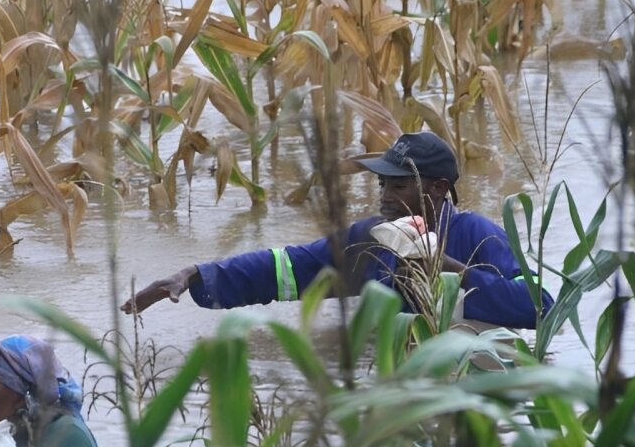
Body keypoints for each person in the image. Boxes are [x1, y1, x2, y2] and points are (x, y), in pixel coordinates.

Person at [122, 132, 553, 330]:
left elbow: (541, 308)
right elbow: (288, 268)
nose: (384, 196)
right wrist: (196, 274)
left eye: (398, 185)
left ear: (439, 189)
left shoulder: (478, 235)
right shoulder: (373, 239)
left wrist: (444, 265)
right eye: (382, 184)